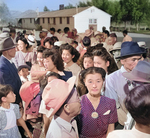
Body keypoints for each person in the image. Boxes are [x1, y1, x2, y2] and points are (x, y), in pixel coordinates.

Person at [105, 41, 146, 127]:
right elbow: (113, 107)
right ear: (122, 61)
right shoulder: (112, 79)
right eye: (133, 60)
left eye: (139, 59)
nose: (137, 63)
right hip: (122, 125)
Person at [77, 67, 118, 138]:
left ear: (103, 81)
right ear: (84, 82)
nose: (94, 86)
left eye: (98, 81)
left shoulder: (110, 103)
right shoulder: (79, 102)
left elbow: (111, 129)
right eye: (90, 82)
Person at [0, 35, 22, 104]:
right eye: (13, 49)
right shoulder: (2, 66)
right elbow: (8, 88)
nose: (15, 50)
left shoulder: (8, 61)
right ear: (6, 51)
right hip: (11, 102)